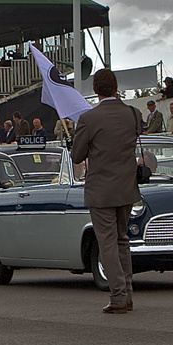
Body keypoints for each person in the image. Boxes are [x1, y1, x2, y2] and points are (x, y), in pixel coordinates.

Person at [70, 69, 143, 314]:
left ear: (95, 90)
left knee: (107, 243)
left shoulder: (89, 119)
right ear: (116, 87)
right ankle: (128, 293)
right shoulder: (133, 114)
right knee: (123, 240)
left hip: (101, 190)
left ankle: (118, 295)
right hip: (127, 187)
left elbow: (77, 155)